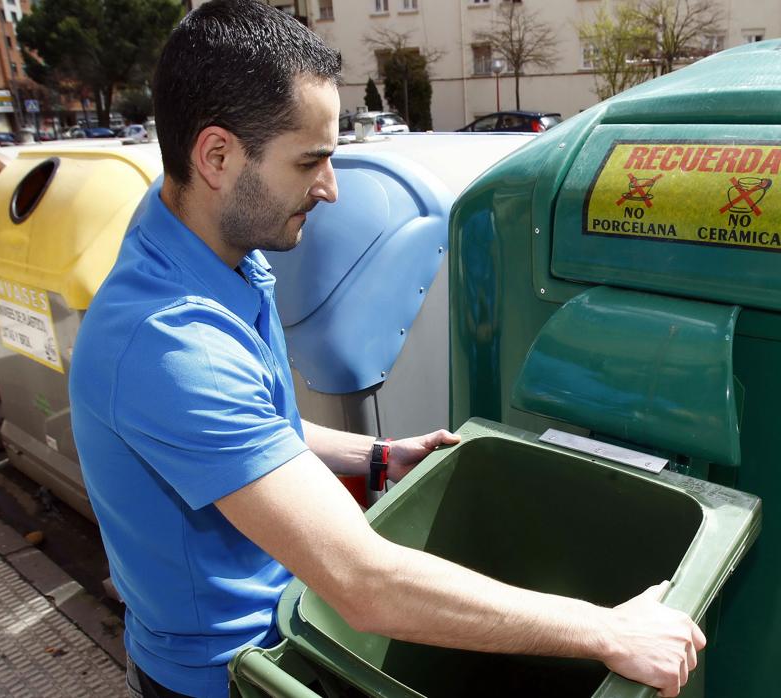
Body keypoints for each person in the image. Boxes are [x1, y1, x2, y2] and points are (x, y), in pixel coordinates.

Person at [69, 1, 705, 697]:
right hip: (229, 675)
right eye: (309, 161)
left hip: (284, 620)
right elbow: (363, 584)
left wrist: (375, 455)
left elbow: (257, 425)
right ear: (216, 156)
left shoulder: (202, 243)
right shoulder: (169, 342)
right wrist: (606, 631)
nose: (330, 189)